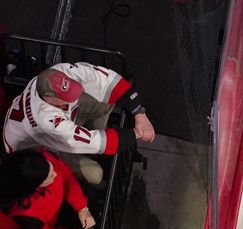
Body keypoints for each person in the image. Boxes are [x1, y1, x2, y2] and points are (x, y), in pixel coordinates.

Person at [2, 62, 156, 185]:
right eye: (66, 96)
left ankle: (94, 148)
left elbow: (104, 79)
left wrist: (139, 113)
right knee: (95, 174)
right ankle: (91, 185)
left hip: (54, 123)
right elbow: (96, 142)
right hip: (36, 148)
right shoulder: (46, 121)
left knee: (105, 99)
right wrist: (137, 134)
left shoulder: (58, 72)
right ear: (49, 99)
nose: (73, 97)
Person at [0, 149, 95, 229]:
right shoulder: (23, 212)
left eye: (51, 167)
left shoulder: (40, 160)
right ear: (34, 187)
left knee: (90, 200)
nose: (55, 173)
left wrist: (82, 208)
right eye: (49, 177)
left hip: (55, 212)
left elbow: (65, 174)